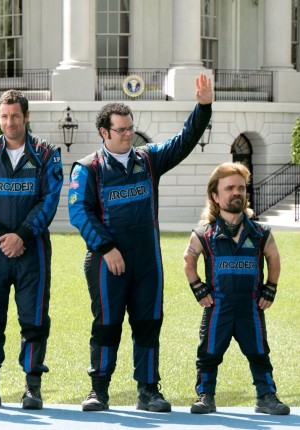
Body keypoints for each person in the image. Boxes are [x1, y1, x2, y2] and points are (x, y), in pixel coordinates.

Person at [67, 73, 213, 413]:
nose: (128, 134)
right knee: (107, 325)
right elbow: (79, 213)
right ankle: (98, 390)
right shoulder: (87, 169)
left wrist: (203, 108)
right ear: (103, 132)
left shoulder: (148, 160)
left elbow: (184, 141)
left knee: (148, 324)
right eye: (121, 129)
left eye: (130, 128)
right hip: (107, 262)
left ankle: (148, 391)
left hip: (147, 261)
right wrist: (106, 248)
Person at [0, 90, 63, 410]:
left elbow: (49, 199)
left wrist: (21, 235)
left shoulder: (47, 153)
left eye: (15, 116)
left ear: (26, 116)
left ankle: (32, 387)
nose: (10, 122)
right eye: (4, 116)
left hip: (32, 248)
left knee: (34, 319)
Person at [183, 162, 290, 415]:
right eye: (229, 188)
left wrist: (270, 288)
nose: (237, 193)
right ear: (215, 196)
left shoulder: (260, 233)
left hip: (250, 306)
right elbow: (188, 259)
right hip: (218, 305)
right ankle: (205, 396)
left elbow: (274, 258)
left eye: (241, 188)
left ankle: (266, 396)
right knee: (208, 352)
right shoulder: (204, 234)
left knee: (259, 352)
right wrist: (198, 287)